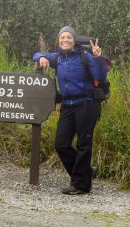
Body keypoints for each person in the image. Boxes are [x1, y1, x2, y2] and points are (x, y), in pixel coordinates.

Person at [33, 26, 107, 195]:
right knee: (61, 143)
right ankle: (85, 173)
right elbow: (35, 55)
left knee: (83, 144)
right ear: (59, 40)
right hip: (68, 105)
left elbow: (101, 77)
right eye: (62, 38)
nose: (65, 40)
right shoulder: (58, 57)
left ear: (74, 41)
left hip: (86, 104)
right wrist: (43, 57)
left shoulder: (85, 56)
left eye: (68, 37)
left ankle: (81, 185)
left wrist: (98, 58)